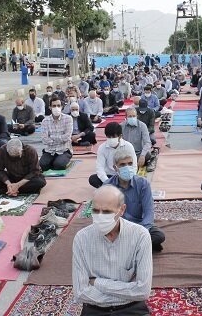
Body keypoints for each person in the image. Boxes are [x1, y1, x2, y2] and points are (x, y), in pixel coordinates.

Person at [72, 185, 152, 315]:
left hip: (131, 308)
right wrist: (127, 292)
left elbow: (142, 291)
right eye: (96, 211)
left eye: (107, 212)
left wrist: (97, 282)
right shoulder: (82, 238)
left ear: (122, 210)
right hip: (96, 309)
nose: (100, 216)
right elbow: (81, 293)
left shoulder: (140, 236)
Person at [104, 146, 165, 252]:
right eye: (122, 165)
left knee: (159, 236)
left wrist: (140, 232)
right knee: (101, 237)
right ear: (115, 168)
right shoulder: (107, 187)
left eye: (130, 164)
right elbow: (106, 217)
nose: (127, 167)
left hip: (139, 227)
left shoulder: (143, 184)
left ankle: (128, 247)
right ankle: (139, 247)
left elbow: (148, 213)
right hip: (118, 228)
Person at [89, 123, 137, 188]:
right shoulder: (102, 148)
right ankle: (115, 188)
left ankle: (117, 188)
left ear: (120, 136)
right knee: (93, 179)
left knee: (139, 181)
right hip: (110, 176)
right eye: (109, 137)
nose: (111, 139)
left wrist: (130, 178)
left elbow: (134, 166)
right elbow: (100, 168)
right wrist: (108, 182)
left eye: (113, 137)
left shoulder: (128, 146)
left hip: (125, 174)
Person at [40, 97, 73, 171]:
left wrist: (52, 137)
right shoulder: (45, 121)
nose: (56, 108)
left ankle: (58, 161)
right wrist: (60, 138)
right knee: (42, 165)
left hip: (64, 150)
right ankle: (53, 161)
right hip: (50, 151)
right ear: (50, 107)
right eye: (54, 106)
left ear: (61, 107)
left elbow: (67, 137)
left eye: (58, 105)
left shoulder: (68, 119)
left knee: (59, 165)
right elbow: (44, 139)